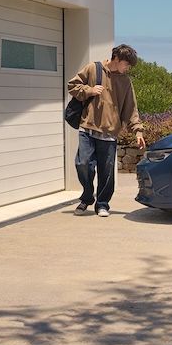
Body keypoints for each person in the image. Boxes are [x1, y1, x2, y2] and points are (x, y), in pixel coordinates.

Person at [67, 44, 145, 217]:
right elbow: (72, 85)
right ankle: (87, 197)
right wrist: (89, 90)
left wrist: (138, 131)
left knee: (106, 171)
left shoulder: (125, 81)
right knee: (83, 164)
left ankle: (102, 204)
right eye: (126, 64)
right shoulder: (93, 69)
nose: (127, 68)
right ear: (116, 59)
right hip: (87, 128)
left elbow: (131, 108)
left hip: (109, 133)